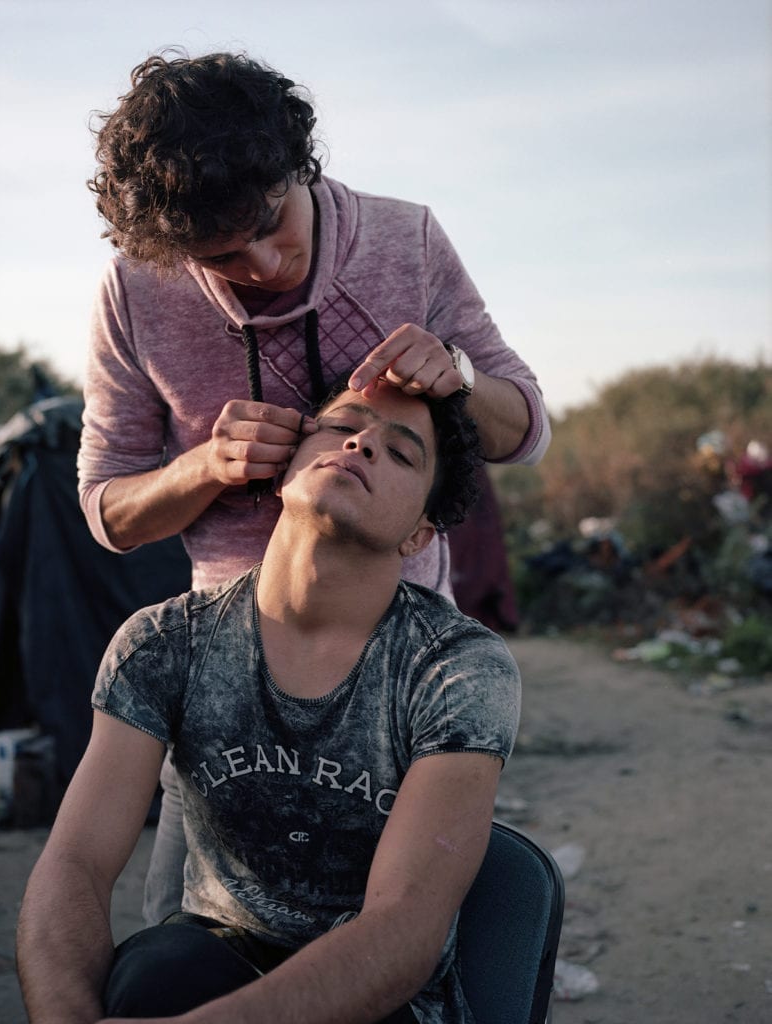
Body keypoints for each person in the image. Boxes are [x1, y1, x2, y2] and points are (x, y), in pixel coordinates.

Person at [75, 50, 549, 924]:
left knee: (392, 935)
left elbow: (522, 428)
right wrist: (203, 468)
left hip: (395, 664)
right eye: (222, 256)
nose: (263, 262)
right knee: (186, 935)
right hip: (222, 670)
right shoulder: (136, 292)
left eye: (272, 223)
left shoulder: (404, 239)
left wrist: (455, 372)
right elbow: (107, 511)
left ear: (301, 163)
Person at [18, 382, 522, 1024]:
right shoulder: (163, 644)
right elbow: (75, 863)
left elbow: (405, 927)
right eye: (341, 426)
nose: (361, 443)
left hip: (378, 995)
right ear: (283, 469)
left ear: (420, 535)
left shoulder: (455, 667)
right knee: (153, 976)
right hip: (216, 953)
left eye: (401, 454)